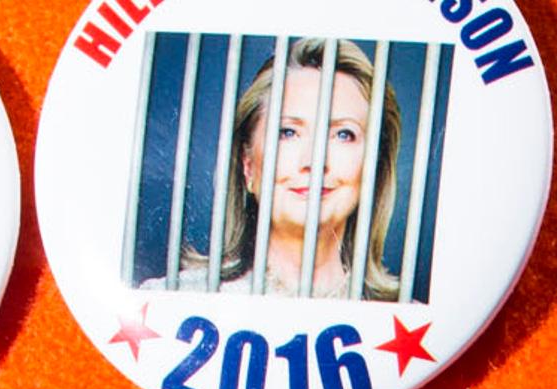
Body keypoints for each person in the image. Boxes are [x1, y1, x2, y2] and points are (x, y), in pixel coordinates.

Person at [161, 38, 409, 300]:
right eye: (288, 132)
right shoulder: (173, 298)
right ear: (248, 167)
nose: (314, 161)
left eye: (343, 134)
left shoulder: (413, 320)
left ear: (375, 167)